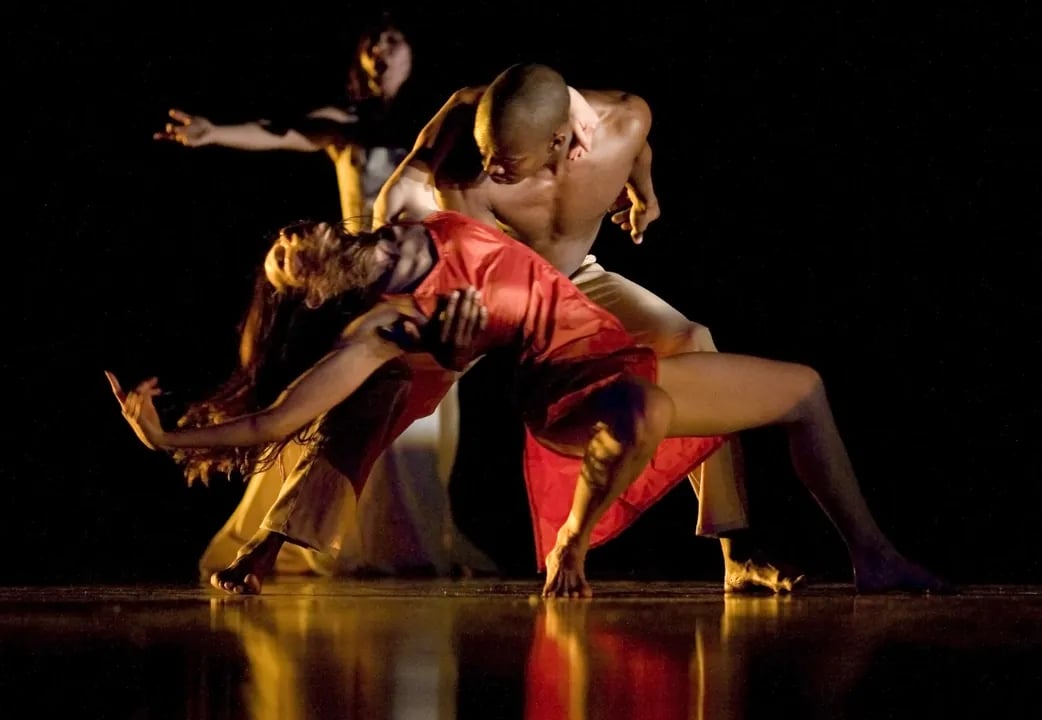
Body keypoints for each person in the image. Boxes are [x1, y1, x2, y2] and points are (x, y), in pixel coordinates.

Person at [107, 210, 948, 598]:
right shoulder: (382, 329)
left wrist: (638, 169)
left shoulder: (419, 209)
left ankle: (871, 554)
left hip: (616, 356)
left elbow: (472, 119)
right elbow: (283, 418)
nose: (287, 246)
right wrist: (167, 439)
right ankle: (569, 553)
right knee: (642, 412)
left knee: (804, 387)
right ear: (318, 290)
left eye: (284, 241)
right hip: (568, 396)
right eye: (287, 265)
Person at [153, 31, 598, 580]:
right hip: (388, 292)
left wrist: (571, 108)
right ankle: (295, 548)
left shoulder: (430, 169)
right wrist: (213, 131)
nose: (382, 51)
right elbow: (281, 132)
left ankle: (404, 547)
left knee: (410, 441)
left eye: (393, 40)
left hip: (444, 270)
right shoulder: (346, 131)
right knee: (351, 422)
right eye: (372, 42)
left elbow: (486, 105)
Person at [373, 63, 800, 591]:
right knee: (389, 381)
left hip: (576, 281)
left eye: (506, 159)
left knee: (694, 340)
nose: (492, 167)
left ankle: (735, 550)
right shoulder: (465, 156)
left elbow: (636, 146)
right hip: (496, 293)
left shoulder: (618, 122)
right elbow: (452, 239)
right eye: (489, 154)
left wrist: (645, 195)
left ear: (560, 140)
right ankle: (274, 536)